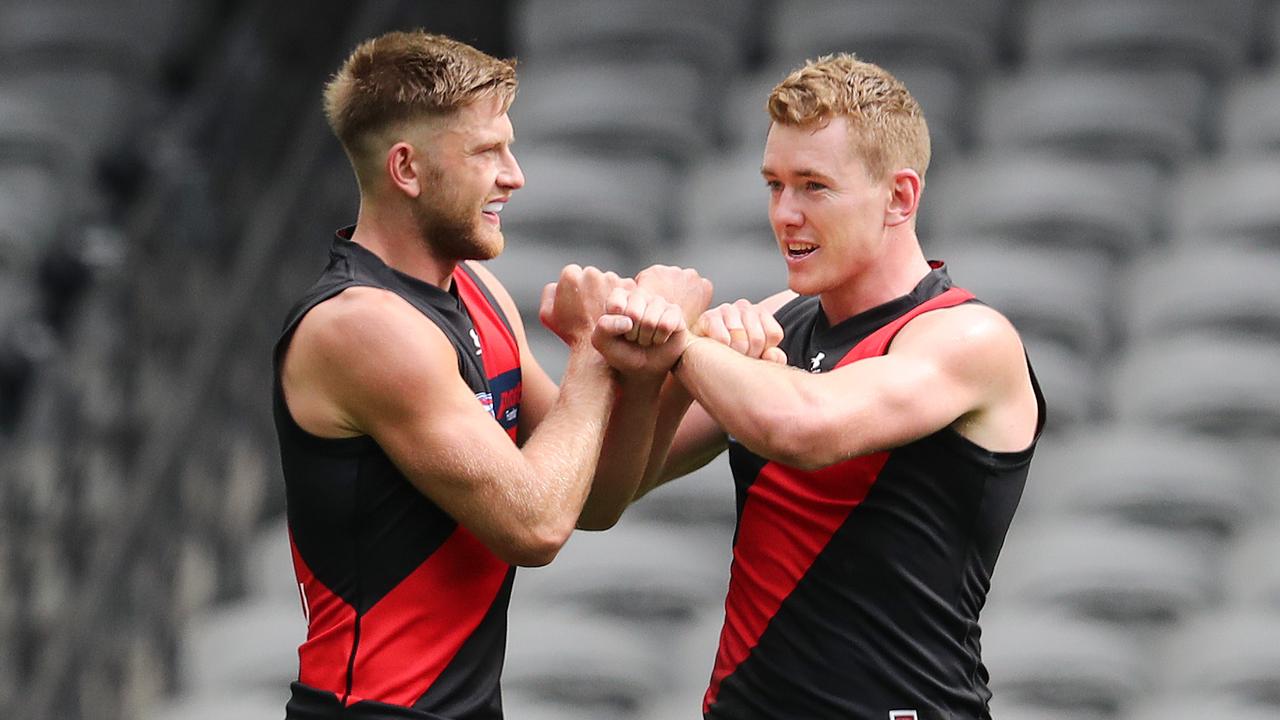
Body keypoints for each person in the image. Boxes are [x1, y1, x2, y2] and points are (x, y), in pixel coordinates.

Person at [596, 54, 1047, 719]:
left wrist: (677, 340)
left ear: (900, 197)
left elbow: (804, 429)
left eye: (813, 186)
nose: (785, 213)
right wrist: (634, 362)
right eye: (774, 184)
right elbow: (607, 493)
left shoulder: (966, 338)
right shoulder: (776, 321)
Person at [271, 30, 705, 720]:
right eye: (487, 152)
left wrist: (677, 376)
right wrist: (596, 349)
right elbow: (534, 526)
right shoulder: (361, 327)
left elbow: (588, 499)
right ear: (407, 170)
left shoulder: (477, 292)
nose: (515, 174)